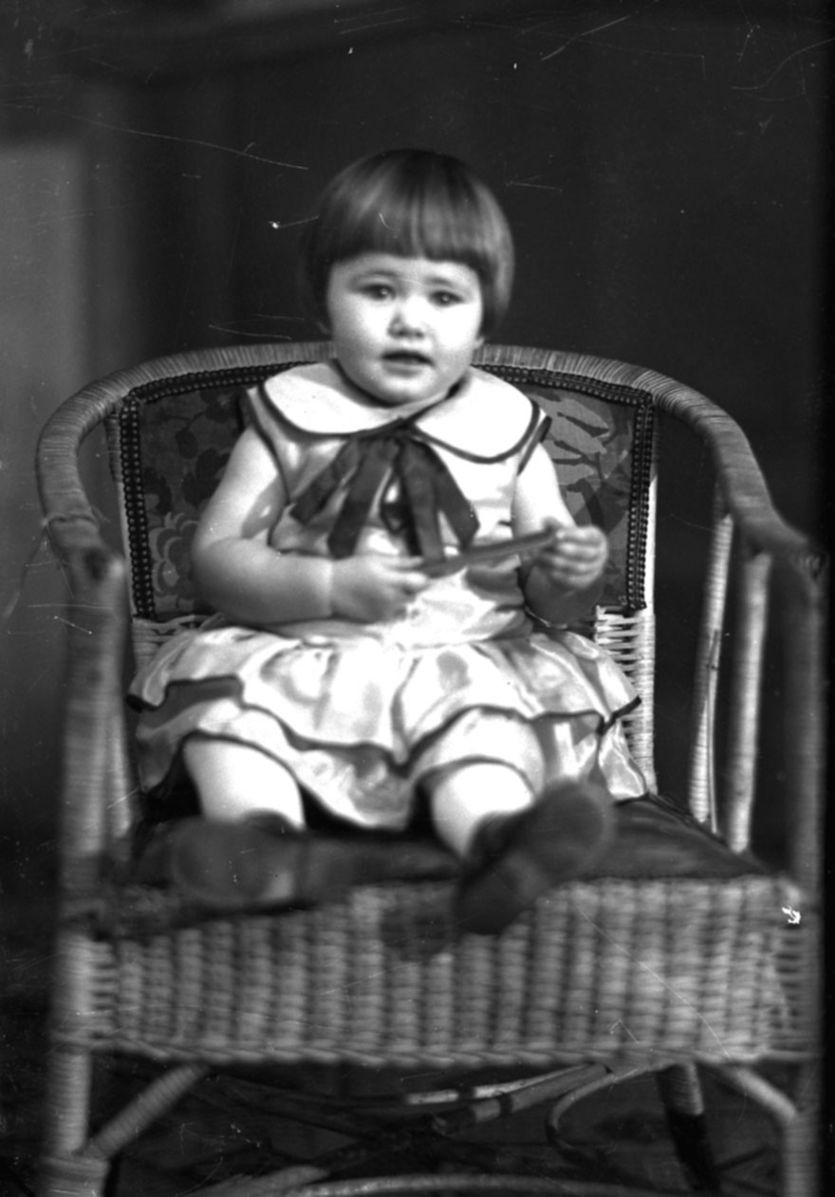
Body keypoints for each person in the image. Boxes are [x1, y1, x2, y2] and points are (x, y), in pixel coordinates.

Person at [130, 147, 647, 934]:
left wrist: (571, 568)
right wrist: (328, 586)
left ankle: (499, 848)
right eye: (378, 289)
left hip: (461, 660)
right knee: (232, 719)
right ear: (323, 302)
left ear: (483, 318)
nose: (410, 319)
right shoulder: (290, 416)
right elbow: (219, 558)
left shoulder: (506, 426)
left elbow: (555, 600)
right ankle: (264, 845)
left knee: (483, 734)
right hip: (303, 657)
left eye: (444, 296)